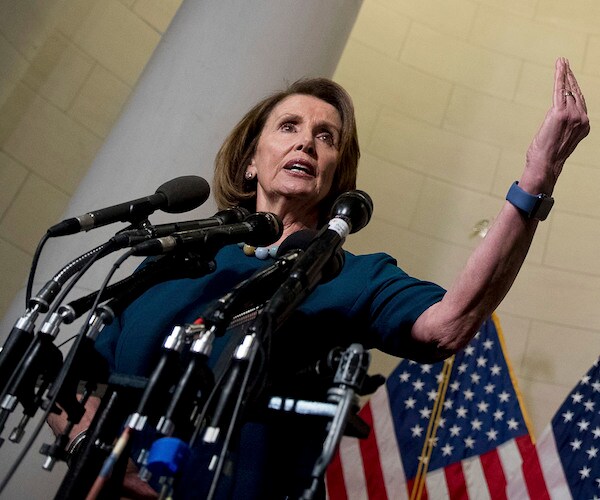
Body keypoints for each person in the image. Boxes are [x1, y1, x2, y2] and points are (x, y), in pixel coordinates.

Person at [49, 57, 589, 498]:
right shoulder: (174, 258)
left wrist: (535, 181)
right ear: (250, 163)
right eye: (290, 128)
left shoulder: (352, 276)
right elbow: (60, 382)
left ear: (336, 174)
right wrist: (89, 454)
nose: (308, 143)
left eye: (326, 137)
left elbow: (450, 322)